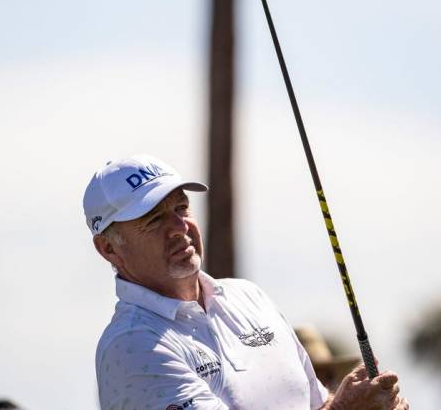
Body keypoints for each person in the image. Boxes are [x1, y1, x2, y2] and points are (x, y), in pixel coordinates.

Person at [84, 154, 409, 410]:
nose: (179, 227)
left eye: (182, 207)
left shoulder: (249, 296)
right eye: (154, 219)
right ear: (108, 248)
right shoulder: (131, 346)